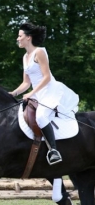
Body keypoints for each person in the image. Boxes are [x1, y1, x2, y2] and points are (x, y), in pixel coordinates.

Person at [10, 22, 79, 165]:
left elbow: (46, 77)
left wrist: (31, 93)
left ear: (28, 38)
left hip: (50, 91)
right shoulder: (25, 57)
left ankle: (53, 150)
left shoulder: (39, 52)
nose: (18, 38)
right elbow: (26, 82)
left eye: (20, 36)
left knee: (41, 116)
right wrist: (13, 93)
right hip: (37, 93)